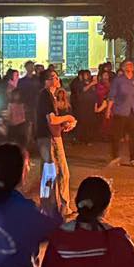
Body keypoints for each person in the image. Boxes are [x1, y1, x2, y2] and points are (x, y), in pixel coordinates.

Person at [35, 70, 77, 217]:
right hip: (48, 138)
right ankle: (55, 207)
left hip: (49, 136)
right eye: (53, 77)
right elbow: (51, 119)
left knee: (53, 172)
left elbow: (53, 121)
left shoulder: (49, 96)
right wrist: (69, 118)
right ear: (46, 81)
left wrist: (64, 124)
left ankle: (52, 207)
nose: (57, 79)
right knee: (57, 173)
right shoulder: (45, 95)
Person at [106, 60, 134, 168]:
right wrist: (109, 109)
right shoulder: (118, 80)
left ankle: (133, 159)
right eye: (127, 64)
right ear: (123, 68)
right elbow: (112, 96)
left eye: (131, 64)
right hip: (121, 111)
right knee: (117, 136)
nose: (130, 66)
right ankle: (115, 157)